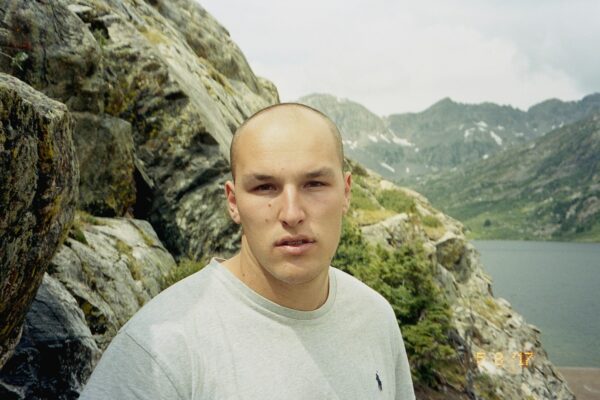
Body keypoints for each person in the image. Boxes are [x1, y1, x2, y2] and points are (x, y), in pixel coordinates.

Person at [80, 103, 416, 399]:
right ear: (233, 202)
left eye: (314, 184)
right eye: (264, 187)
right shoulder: (160, 353)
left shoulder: (375, 318)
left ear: (345, 192)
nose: (291, 213)